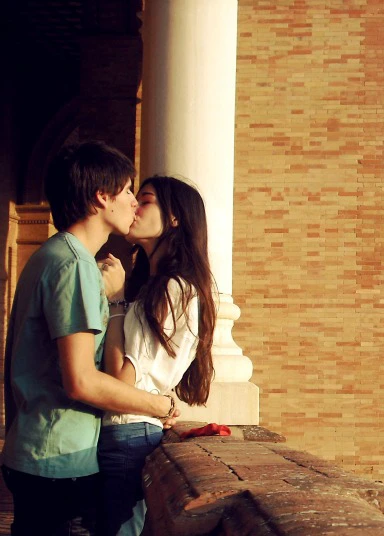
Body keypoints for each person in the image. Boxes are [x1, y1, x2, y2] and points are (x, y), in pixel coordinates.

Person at [1, 142, 180, 535]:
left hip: (34, 452)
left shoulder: (51, 255)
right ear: (102, 196)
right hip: (57, 459)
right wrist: (159, 405)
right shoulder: (74, 264)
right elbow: (80, 380)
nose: (134, 202)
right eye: (129, 190)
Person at [98, 176, 217, 536]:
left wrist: (116, 301)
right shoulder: (152, 285)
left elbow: (122, 380)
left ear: (176, 218)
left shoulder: (174, 288)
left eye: (145, 199)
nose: (134, 205)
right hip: (128, 428)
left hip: (126, 432)